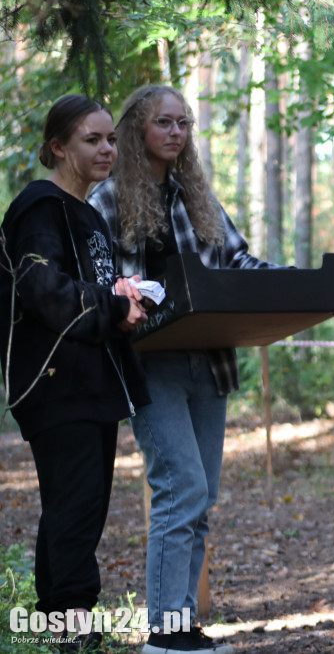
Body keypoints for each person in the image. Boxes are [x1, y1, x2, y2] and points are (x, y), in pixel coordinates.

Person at [88, 85, 283, 654]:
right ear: (136, 130)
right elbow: (103, 285)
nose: (176, 133)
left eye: (183, 124)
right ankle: (165, 632)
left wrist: (285, 280)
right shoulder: (106, 199)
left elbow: (237, 258)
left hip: (210, 362)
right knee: (180, 487)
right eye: (163, 123)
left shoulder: (195, 196)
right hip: (152, 363)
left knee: (203, 495)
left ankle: (183, 624)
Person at [0, 95, 150, 653]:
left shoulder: (86, 211)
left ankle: (61, 626)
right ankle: (74, 632)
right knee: (76, 510)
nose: (107, 149)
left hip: (91, 383)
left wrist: (125, 299)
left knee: (74, 509)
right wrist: (112, 308)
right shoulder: (41, 206)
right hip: (56, 382)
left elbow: (83, 288)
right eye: (92, 139)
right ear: (58, 147)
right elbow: (40, 290)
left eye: (111, 138)